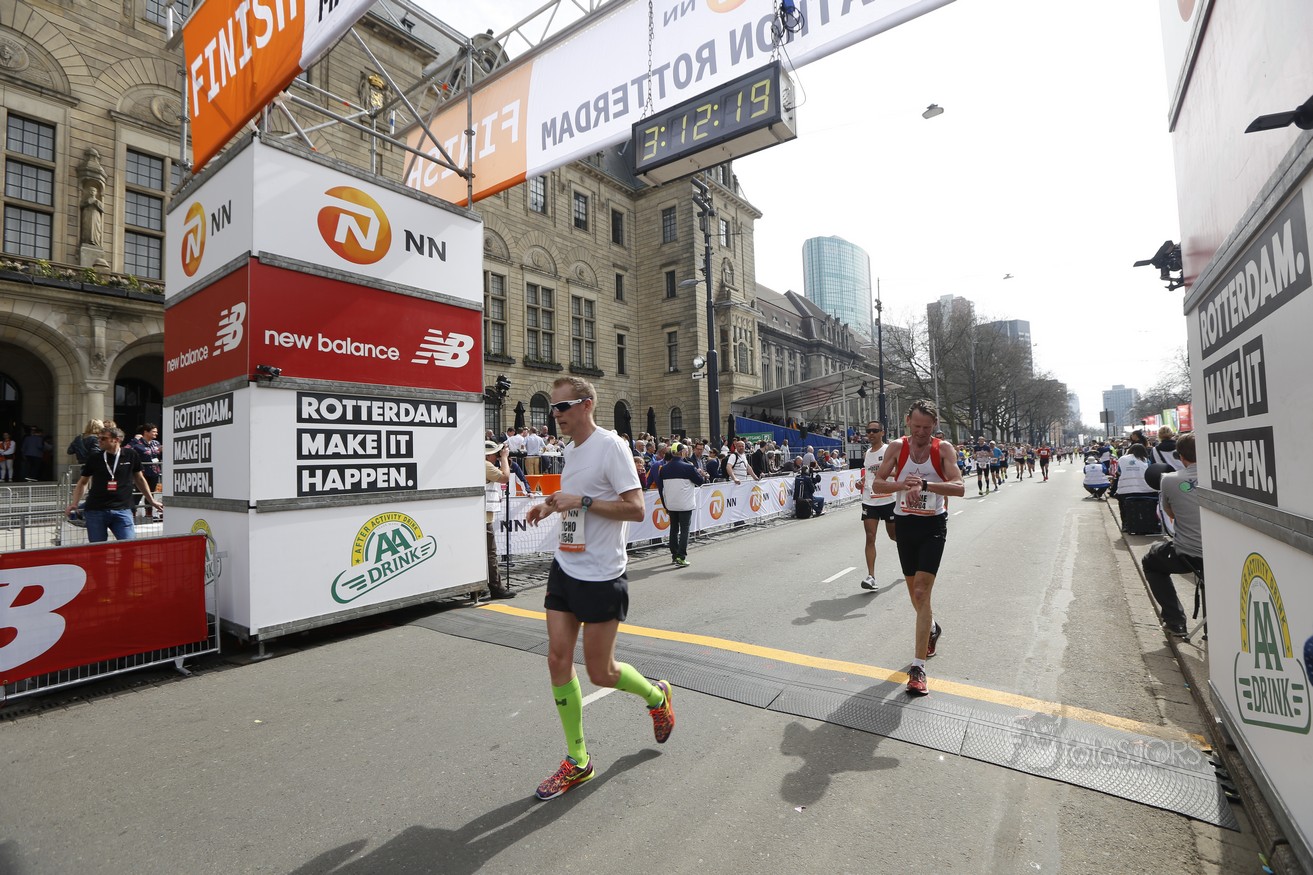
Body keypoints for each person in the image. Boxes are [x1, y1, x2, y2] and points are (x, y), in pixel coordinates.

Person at [525, 377, 674, 800]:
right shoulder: (571, 450)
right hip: (566, 565)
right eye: (553, 408)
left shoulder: (612, 446)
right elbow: (576, 497)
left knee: (601, 673)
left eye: (562, 406)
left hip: (602, 574)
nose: (555, 414)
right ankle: (578, 761)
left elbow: (636, 508)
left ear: (587, 405)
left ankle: (656, 696)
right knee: (557, 659)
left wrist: (582, 502)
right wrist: (549, 504)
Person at [871, 400, 965, 696]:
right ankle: (932, 627)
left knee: (922, 592)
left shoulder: (943, 449)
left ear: (935, 425)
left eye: (927, 427)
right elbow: (877, 484)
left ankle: (918, 668)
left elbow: (960, 487)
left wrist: (924, 486)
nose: (922, 432)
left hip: (932, 525)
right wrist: (904, 485)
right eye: (917, 426)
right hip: (905, 524)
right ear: (907, 421)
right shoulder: (897, 448)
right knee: (915, 594)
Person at [1140, 434, 1201, 637]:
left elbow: (1171, 515)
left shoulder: (1169, 480)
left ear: (1181, 457)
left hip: (1190, 554)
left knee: (1151, 561)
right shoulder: (1223, 477)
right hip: (1223, 555)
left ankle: (1176, 621)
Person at [65, 427, 162, 542]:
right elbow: (83, 482)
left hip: (123, 509)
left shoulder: (131, 455)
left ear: (116, 440)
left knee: (128, 545)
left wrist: (151, 500)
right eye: (98, 438)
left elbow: (140, 479)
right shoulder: (95, 458)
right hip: (96, 510)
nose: (99, 441)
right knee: (98, 548)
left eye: (103, 438)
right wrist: (75, 503)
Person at [858, 421, 897, 590]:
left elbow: (900, 471)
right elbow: (869, 474)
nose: (871, 434)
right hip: (870, 500)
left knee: (894, 536)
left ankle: (910, 552)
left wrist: (884, 472)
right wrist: (862, 481)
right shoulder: (867, 453)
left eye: (875, 430)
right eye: (868, 431)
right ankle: (871, 577)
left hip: (888, 499)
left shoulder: (889, 450)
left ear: (882, 432)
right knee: (870, 536)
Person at [654, 442, 705, 567]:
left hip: (671, 504)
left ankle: (674, 555)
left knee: (674, 529)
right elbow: (700, 481)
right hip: (685, 504)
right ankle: (681, 556)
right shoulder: (688, 467)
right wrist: (700, 474)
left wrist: (665, 505)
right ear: (682, 452)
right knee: (684, 530)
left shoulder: (664, 468)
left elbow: (661, 488)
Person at [482, 440, 516, 599]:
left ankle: (482, 585)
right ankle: (496, 588)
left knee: (483, 553)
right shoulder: (485, 465)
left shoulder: (480, 464)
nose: (497, 456)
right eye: (495, 454)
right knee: (490, 553)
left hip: (480, 515)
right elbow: (505, 477)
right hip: (483, 518)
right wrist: (504, 458)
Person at [126, 423, 163, 516]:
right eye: (153, 432)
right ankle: (132, 514)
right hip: (141, 473)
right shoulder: (137, 442)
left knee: (151, 493)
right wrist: (134, 440)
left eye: (156, 432)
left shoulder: (156, 443)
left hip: (154, 472)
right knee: (138, 494)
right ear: (146, 432)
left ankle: (149, 515)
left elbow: (158, 452)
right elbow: (126, 449)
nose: (156, 433)